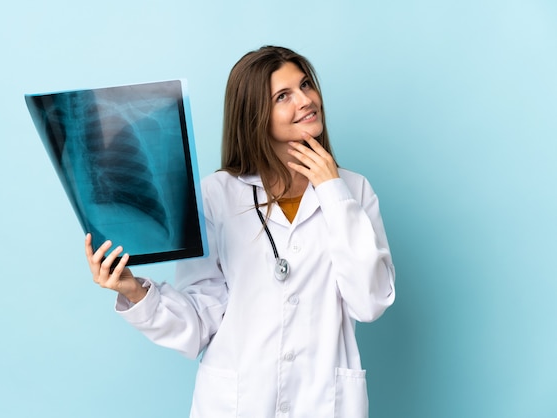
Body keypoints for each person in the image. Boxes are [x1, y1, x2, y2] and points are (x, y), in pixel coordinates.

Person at [86, 45, 396, 418]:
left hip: (323, 402)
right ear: (256, 115)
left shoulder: (354, 190)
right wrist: (135, 291)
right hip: (238, 403)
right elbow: (202, 319)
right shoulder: (217, 195)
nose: (306, 100)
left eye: (306, 85)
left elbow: (371, 301)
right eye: (284, 96)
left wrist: (332, 191)